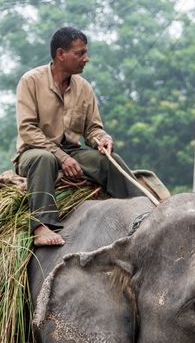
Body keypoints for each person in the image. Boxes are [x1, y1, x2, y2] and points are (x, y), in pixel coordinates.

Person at [13, 26, 143, 246]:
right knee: (44, 159)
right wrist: (62, 157)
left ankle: (141, 210)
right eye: (80, 53)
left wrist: (102, 139)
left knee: (109, 162)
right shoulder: (30, 81)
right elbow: (28, 129)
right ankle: (42, 226)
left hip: (74, 151)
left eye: (85, 53)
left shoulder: (84, 88)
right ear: (61, 54)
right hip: (35, 152)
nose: (86, 59)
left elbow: (92, 128)